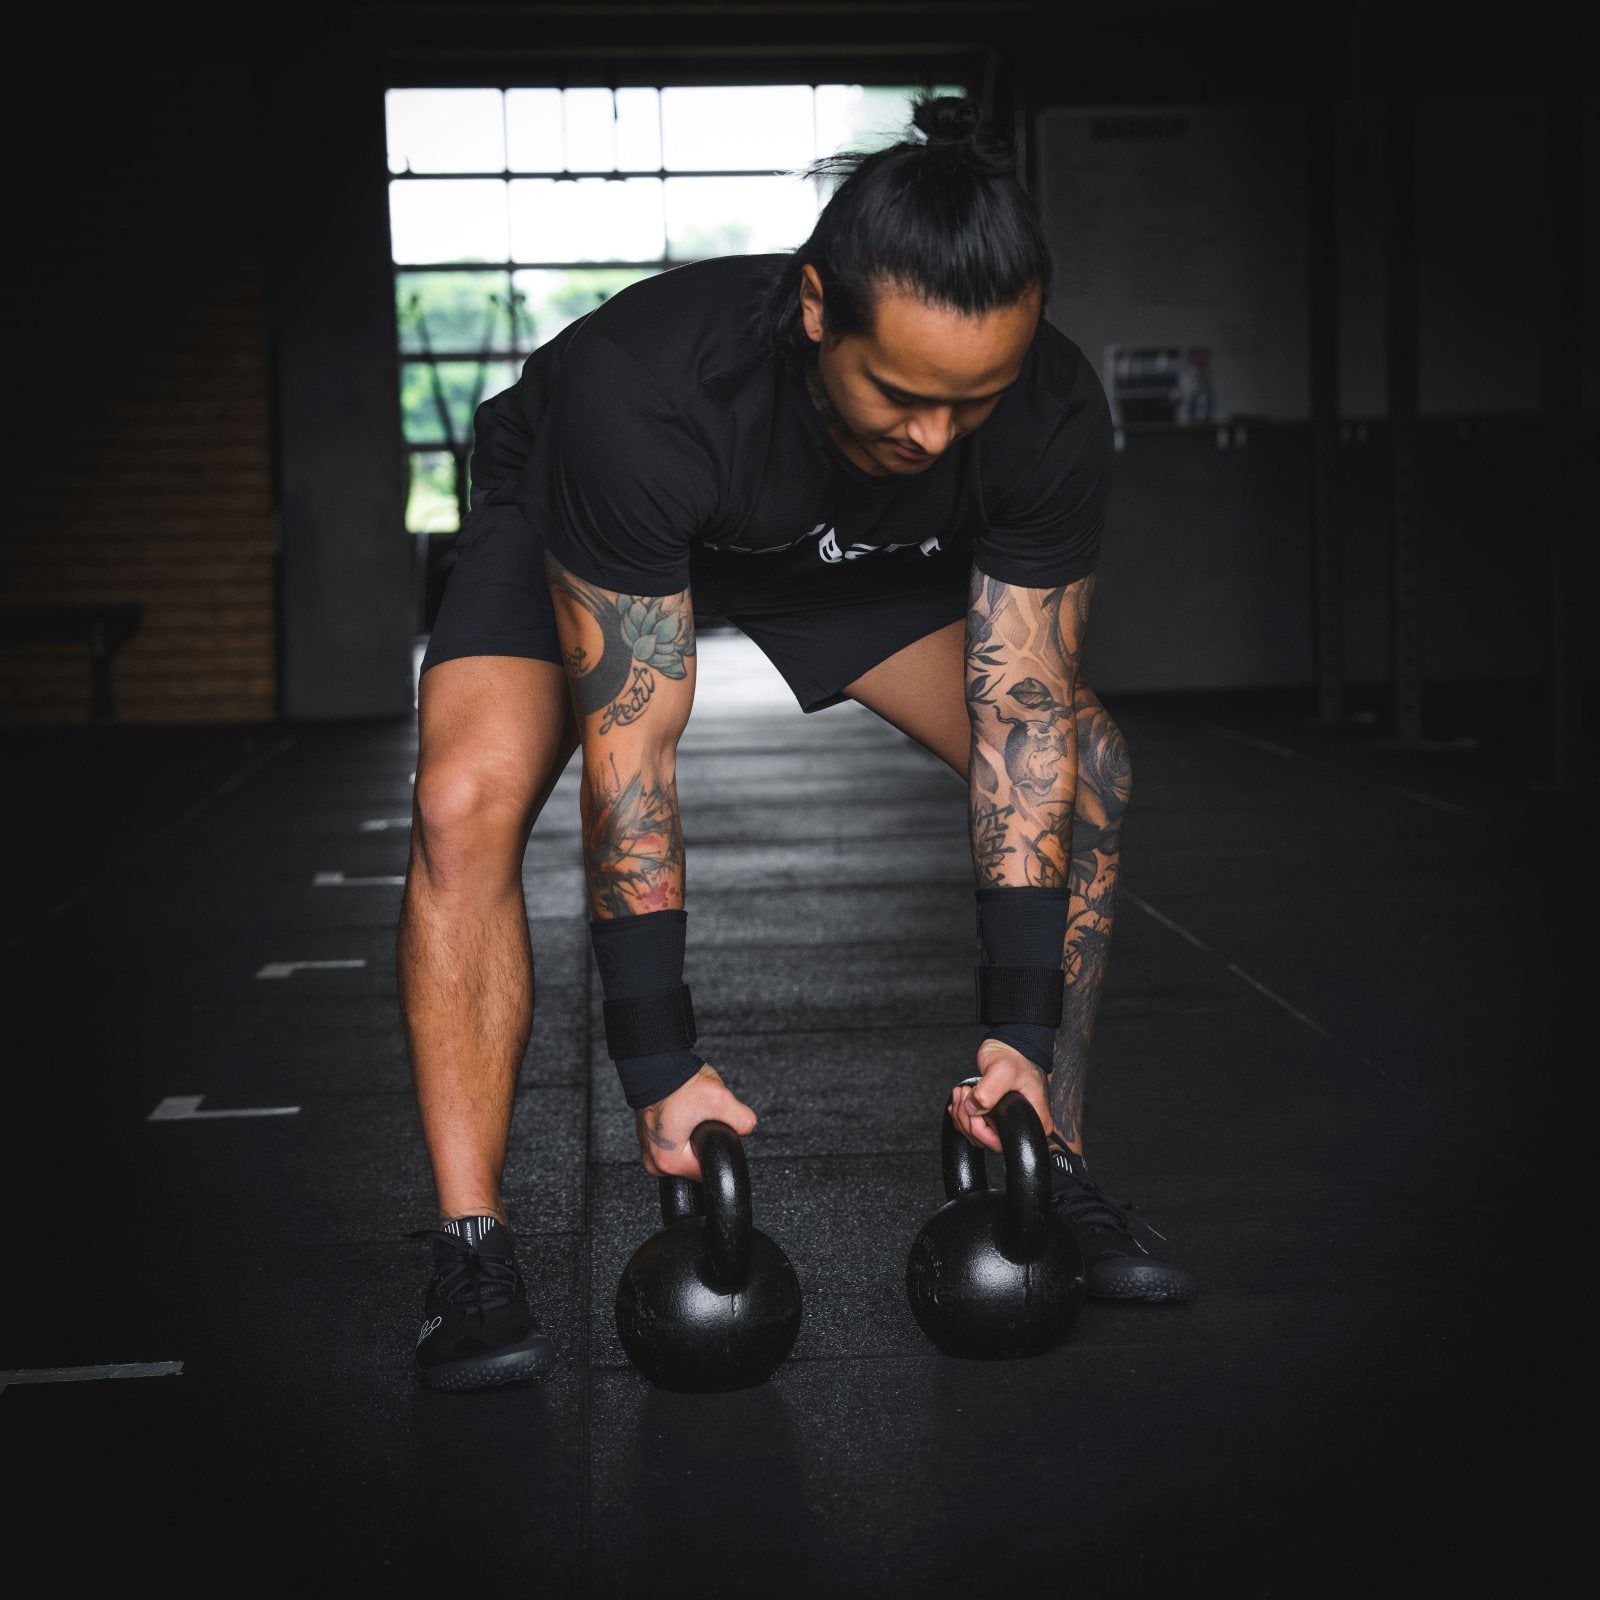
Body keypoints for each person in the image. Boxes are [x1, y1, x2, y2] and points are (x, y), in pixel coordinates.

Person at [400, 94, 1195, 1392]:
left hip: (831, 545)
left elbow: (1026, 726)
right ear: (818, 308)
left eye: (972, 402)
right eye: (903, 392)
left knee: (1089, 774)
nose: (934, 435)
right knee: (461, 804)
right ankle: (471, 1253)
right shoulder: (646, 395)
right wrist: (658, 1070)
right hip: (597, 511)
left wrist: (1019, 1030)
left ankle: (1051, 1152)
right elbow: (634, 762)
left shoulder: (1045, 408)